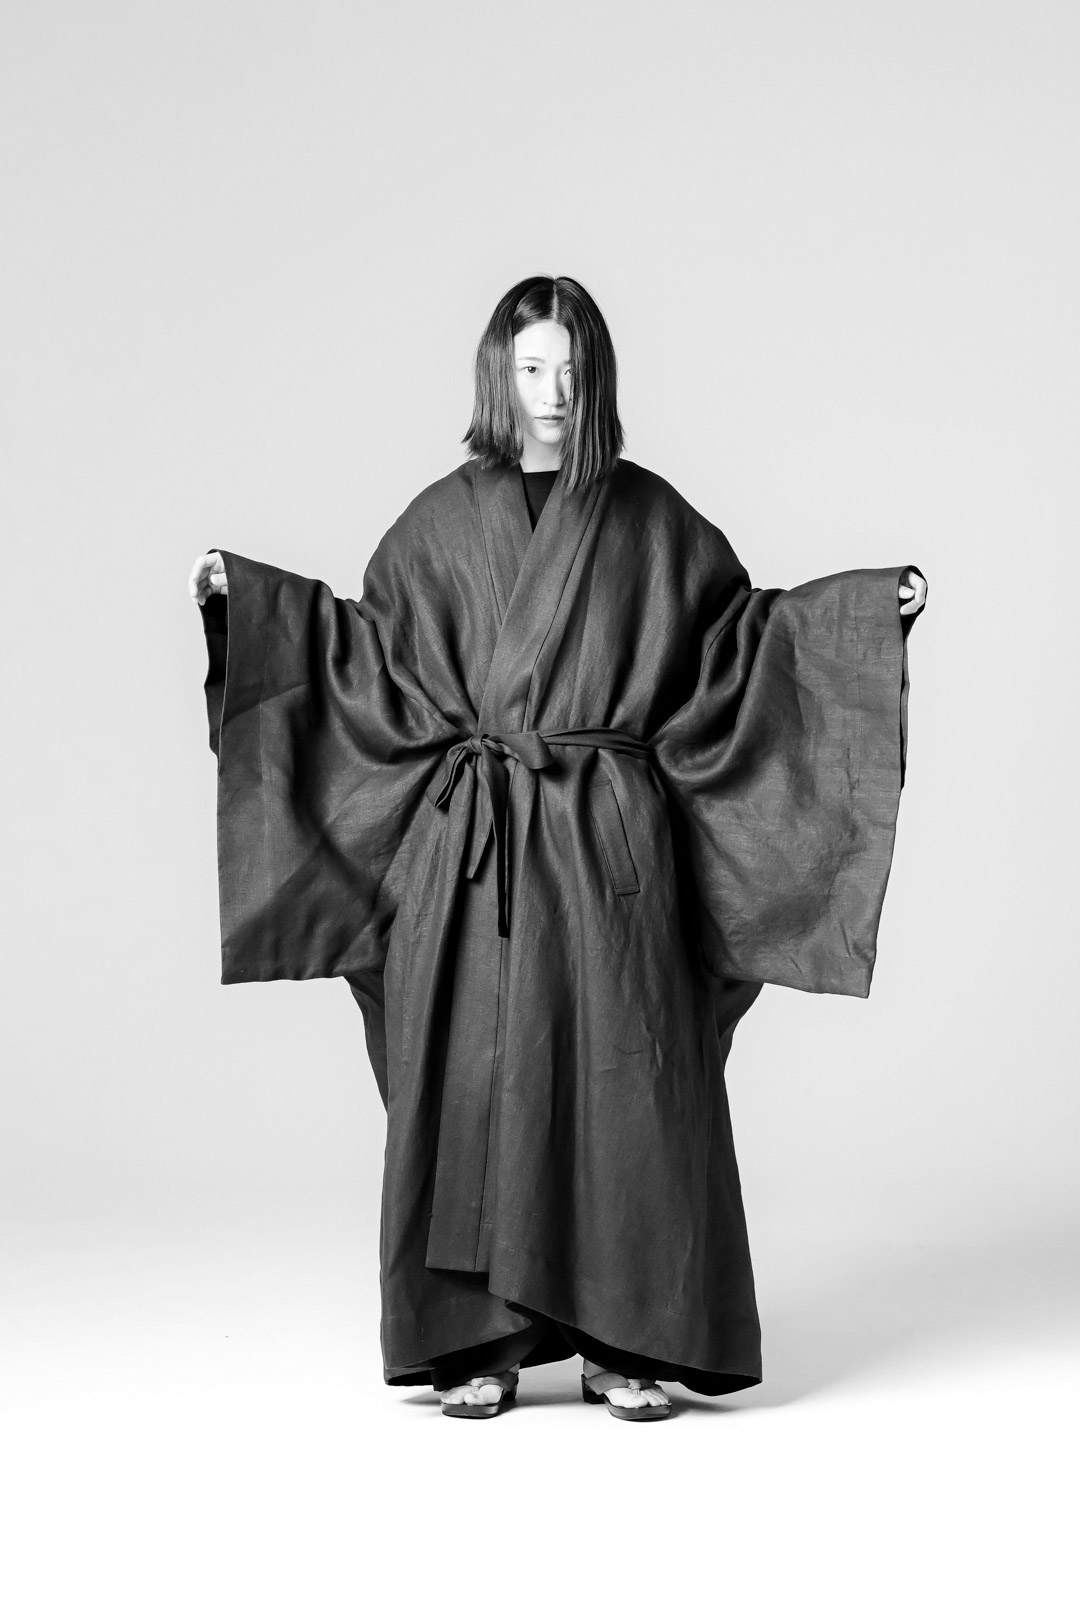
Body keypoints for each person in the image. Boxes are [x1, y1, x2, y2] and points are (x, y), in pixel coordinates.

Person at [189, 275, 926, 1422]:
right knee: (469, 1084)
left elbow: (737, 652)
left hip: (608, 853)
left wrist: (867, 615)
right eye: (530, 369)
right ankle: (473, 1342)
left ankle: (623, 1339)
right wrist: (255, 609)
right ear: (498, 376)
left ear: (600, 381)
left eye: (571, 372)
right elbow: (363, 665)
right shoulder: (437, 524)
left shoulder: (653, 519)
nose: (551, 394)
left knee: (628, 1089)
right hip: (471, 854)